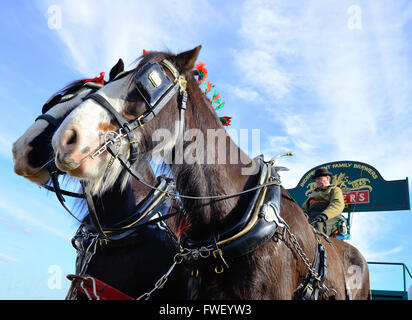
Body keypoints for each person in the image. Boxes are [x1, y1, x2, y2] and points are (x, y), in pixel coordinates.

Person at [302, 167, 345, 236]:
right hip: (312, 216)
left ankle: (319, 246)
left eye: (319, 178)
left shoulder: (335, 190)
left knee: (318, 227)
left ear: (327, 178)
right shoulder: (313, 193)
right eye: (316, 179)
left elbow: (337, 204)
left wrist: (324, 215)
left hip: (328, 217)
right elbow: (304, 207)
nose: (317, 181)